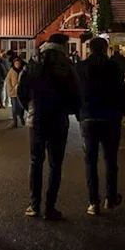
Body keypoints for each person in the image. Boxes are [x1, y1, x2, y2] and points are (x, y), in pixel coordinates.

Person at [18, 33, 80, 221]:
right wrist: (69, 110)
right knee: (55, 164)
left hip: (36, 118)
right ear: (63, 45)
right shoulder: (67, 65)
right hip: (58, 119)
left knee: (36, 161)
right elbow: (76, 92)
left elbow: (21, 91)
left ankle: (34, 205)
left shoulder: (33, 62)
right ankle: (50, 207)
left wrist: (29, 108)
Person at [75, 36, 125, 215]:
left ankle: (93, 202)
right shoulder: (114, 67)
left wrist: (78, 113)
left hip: (88, 117)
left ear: (89, 49)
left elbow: (75, 92)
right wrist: (120, 112)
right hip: (110, 117)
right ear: (105, 49)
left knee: (90, 161)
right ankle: (110, 198)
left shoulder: (80, 67)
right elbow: (121, 90)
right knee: (110, 160)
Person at [5, 57, 26, 128]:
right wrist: (10, 89)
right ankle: (15, 122)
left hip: (21, 92)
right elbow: (8, 81)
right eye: (16, 63)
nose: (17, 65)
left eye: (18, 63)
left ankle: (21, 118)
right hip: (13, 92)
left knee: (21, 107)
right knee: (14, 108)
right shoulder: (11, 71)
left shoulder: (23, 71)